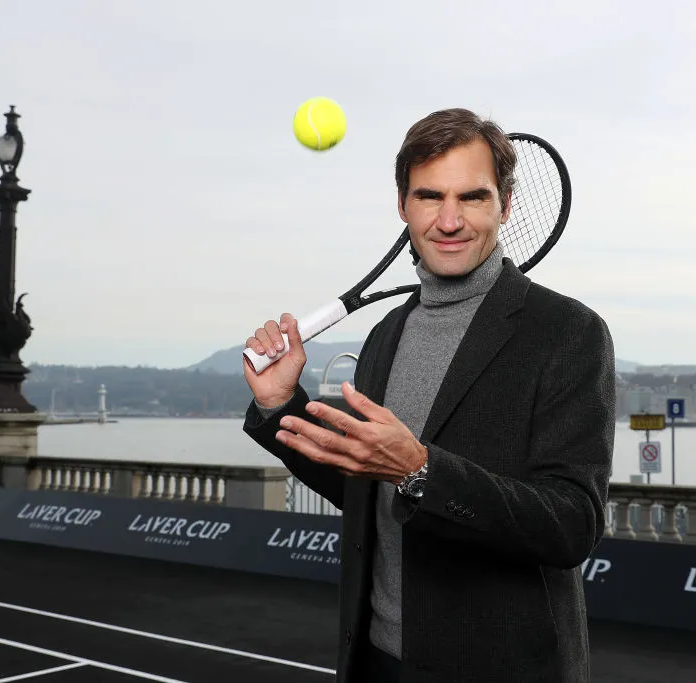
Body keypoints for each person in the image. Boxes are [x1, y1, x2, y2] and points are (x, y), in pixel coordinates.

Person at [242, 108, 615, 683]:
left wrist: (421, 470)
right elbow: (368, 489)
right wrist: (279, 404)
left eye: (472, 197)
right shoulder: (385, 333)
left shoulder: (569, 332)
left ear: (505, 206)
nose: (449, 220)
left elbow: (570, 525)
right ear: (402, 206)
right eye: (428, 196)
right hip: (377, 659)